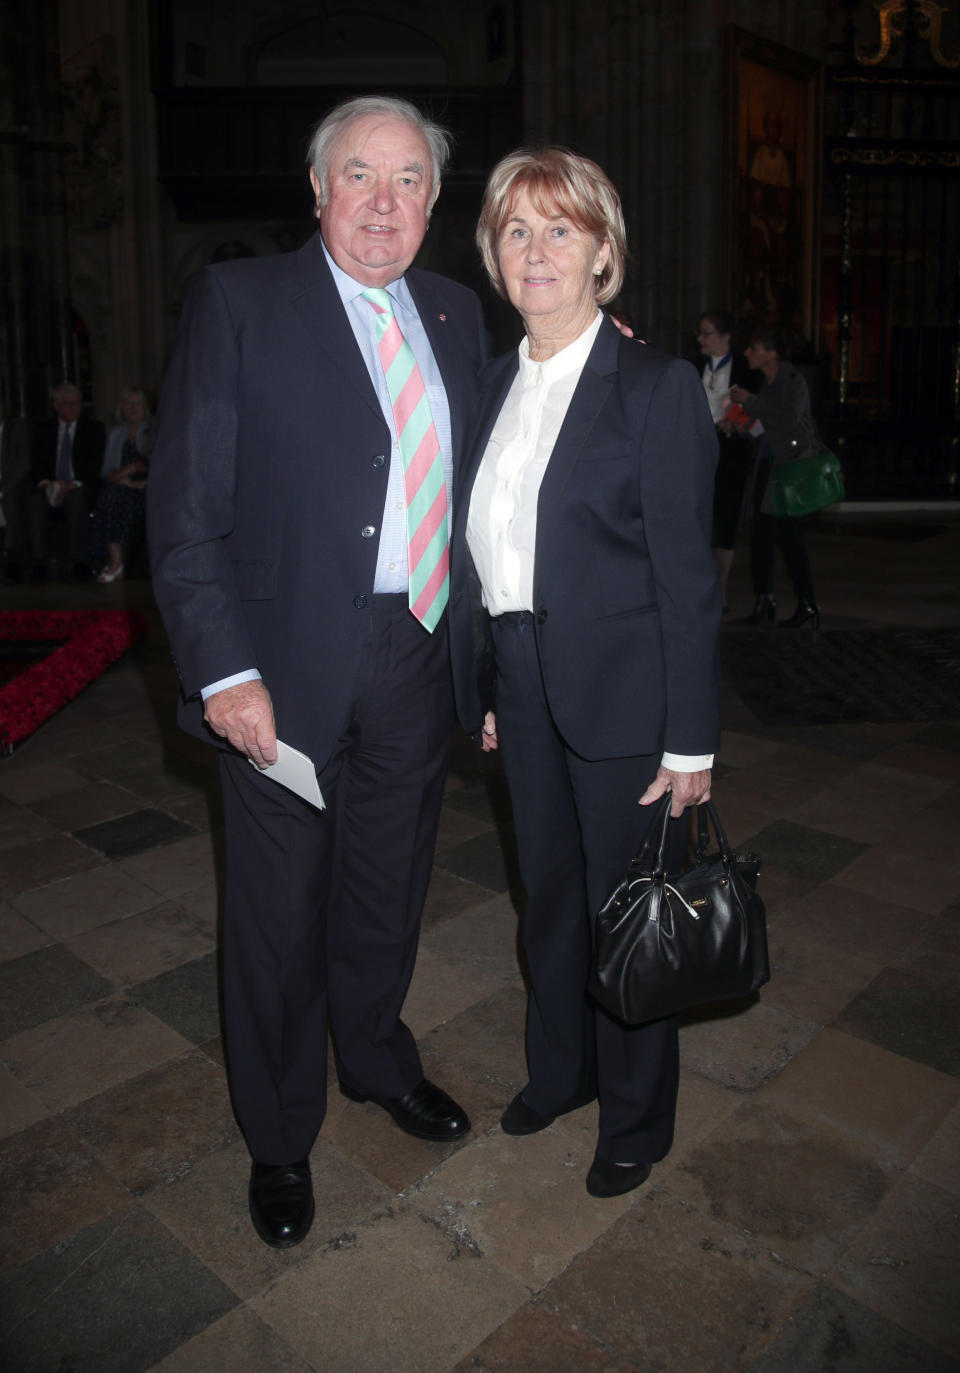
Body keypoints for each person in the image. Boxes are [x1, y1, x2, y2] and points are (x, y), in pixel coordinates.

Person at [147, 95, 486, 1249]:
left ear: (435, 204)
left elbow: (490, 484)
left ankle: (377, 1060)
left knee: (388, 887)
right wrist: (224, 673)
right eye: (360, 175)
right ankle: (280, 1133)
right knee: (276, 913)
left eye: (407, 181)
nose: (383, 202)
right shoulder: (241, 303)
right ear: (317, 188)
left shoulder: (454, 311)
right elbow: (184, 517)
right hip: (278, 670)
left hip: (419, 652)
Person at [449, 148, 721, 1199]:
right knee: (549, 900)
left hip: (624, 695)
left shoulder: (651, 388)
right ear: (494, 254)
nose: (538, 250)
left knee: (631, 914)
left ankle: (637, 1116)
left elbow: (688, 581)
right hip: (520, 679)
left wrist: (691, 739)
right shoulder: (486, 383)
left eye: (561, 229)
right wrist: (484, 684)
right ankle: (559, 1072)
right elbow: (485, 554)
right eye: (518, 231)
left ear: (604, 251)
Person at [729, 327, 821, 630]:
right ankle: (764, 600)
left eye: (754, 348)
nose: (747, 353)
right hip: (768, 470)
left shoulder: (792, 381)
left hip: (788, 472)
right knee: (762, 538)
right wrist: (742, 426)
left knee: (791, 540)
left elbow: (788, 420)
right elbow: (767, 425)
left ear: (771, 354)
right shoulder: (769, 382)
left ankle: (807, 603)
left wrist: (752, 403)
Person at [696, 310, 760, 608]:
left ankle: (719, 590)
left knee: (727, 518)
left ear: (725, 337)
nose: (701, 339)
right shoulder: (692, 366)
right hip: (699, 450)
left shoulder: (745, 369)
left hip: (732, 451)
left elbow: (759, 413)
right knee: (700, 517)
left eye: (707, 333)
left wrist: (738, 422)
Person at [29, 382, 105, 581]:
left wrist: (71, 485)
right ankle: (39, 563)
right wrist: (48, 485)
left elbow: (94, 467)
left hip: (79, 485)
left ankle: (79, 562)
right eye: (68, 403)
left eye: (77, 403)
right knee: (35, 500)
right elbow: (36, 465)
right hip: (50, 485)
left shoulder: (94, 429)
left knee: (77, 499)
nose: (74, 408)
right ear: (56, 405)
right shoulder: (43, 430)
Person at [91, 386, 154, 583]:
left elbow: (153, 466)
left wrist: (133, 477)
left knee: (116, 497)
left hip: (148, 488)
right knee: (111, 496)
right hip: (120, 487)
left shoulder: (153, 430)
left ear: (145, 407)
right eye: (128, 404)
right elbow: (107, 472)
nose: (133, 408)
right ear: (122, 408)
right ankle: (115, 559)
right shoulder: (116, 434)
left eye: (137, 404)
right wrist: (127, 473)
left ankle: (116, 562)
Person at [0, 397, 32, 583]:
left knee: (10, 500)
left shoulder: (16, 428)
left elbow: (24, 464)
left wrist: (2, 489)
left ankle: (12, 562)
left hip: (11, 485)